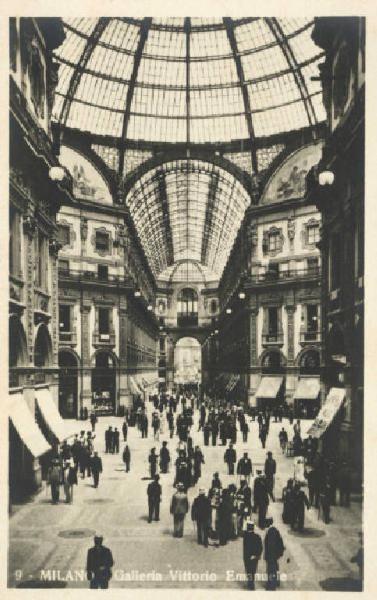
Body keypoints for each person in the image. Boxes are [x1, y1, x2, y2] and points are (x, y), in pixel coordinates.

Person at [264, 518, 285, 590]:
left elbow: (270, 546)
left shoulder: (270, 532)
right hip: (274, 555)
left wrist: (268, 556)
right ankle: (275, 582)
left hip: (271, 555)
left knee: (271, 570)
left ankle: (271, 585)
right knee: (274, 569)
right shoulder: (274, 530)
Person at [243, 521, 263, 590]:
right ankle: (251, 584)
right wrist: (257, 555)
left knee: (248, 570)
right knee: (253, 570)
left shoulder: (245, 536)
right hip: (254, 557)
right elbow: (260, 547)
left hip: (247, 557)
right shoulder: (257, 537)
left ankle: (250, 584)